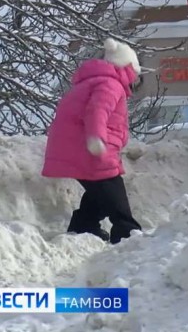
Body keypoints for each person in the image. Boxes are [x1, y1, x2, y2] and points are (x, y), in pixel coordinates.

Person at [42, 38, 143, 244]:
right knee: (112, 189)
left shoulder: (96, 81)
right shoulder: (111, 84)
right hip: (90, 147)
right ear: (127, 68)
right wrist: (96, 138)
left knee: (99, 189)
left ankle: (84, 226)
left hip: (78, 146)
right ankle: (127, 233)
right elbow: (97, 111)